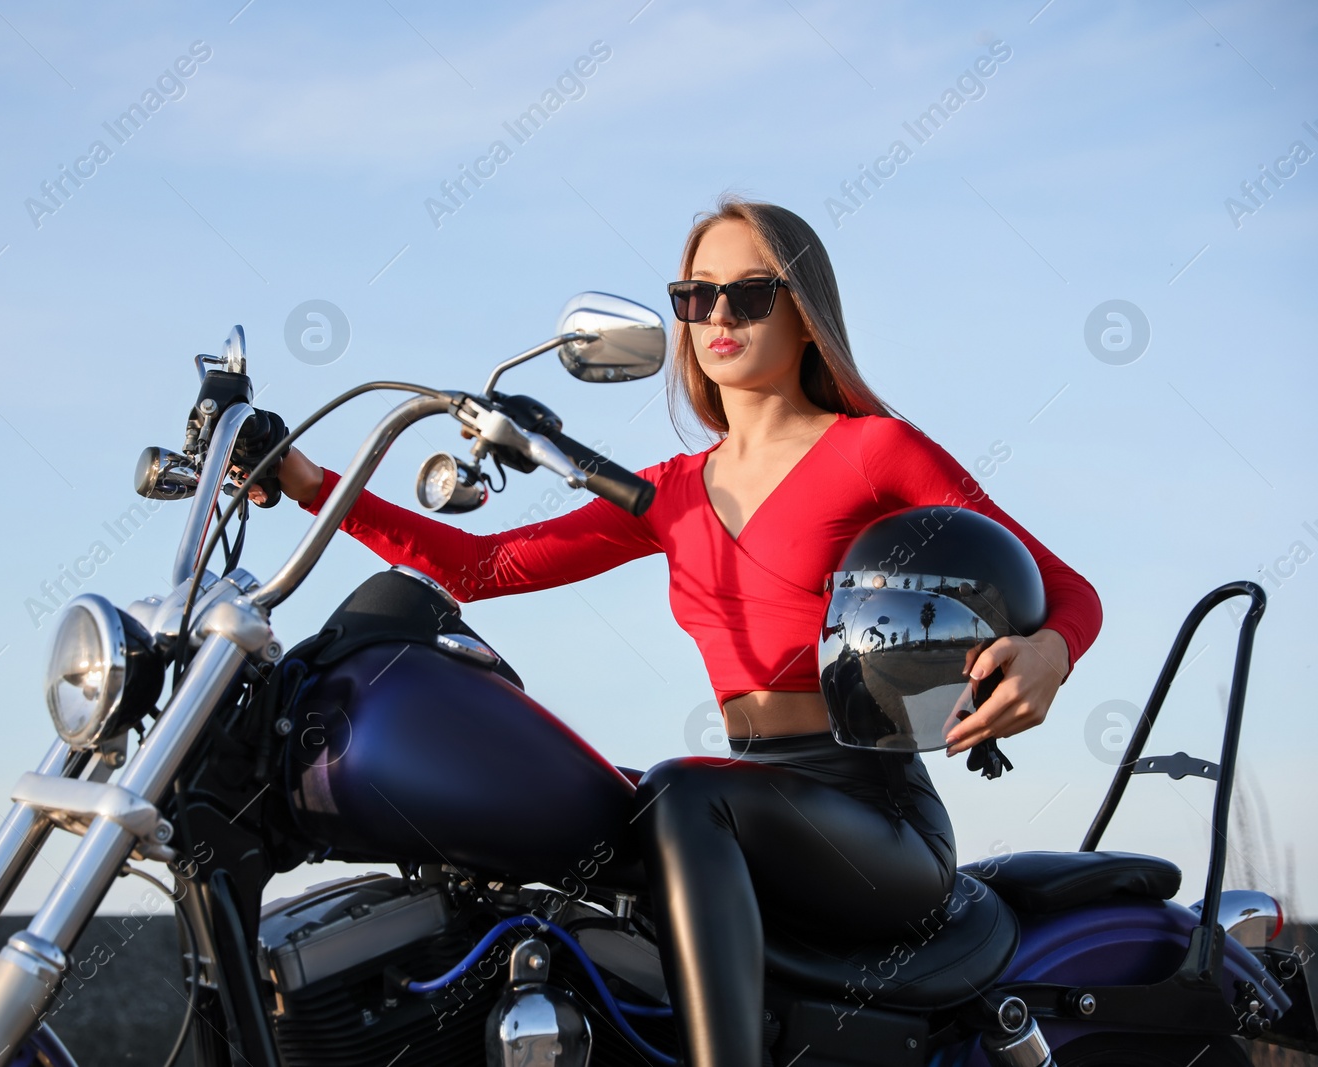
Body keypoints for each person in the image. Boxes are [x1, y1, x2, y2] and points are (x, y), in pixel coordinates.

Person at [254, 198, 1102, 1066]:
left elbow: (1069, 588)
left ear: (806, 314)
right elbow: (482, 568)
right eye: (696, 298)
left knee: (682, 792)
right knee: (563, 813)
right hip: (750, 794)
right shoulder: (672, 492)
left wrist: (1048, 650)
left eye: (749, 294)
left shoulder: (873, 450)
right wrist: (312, 481)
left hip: (872, 810)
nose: (719, 316)